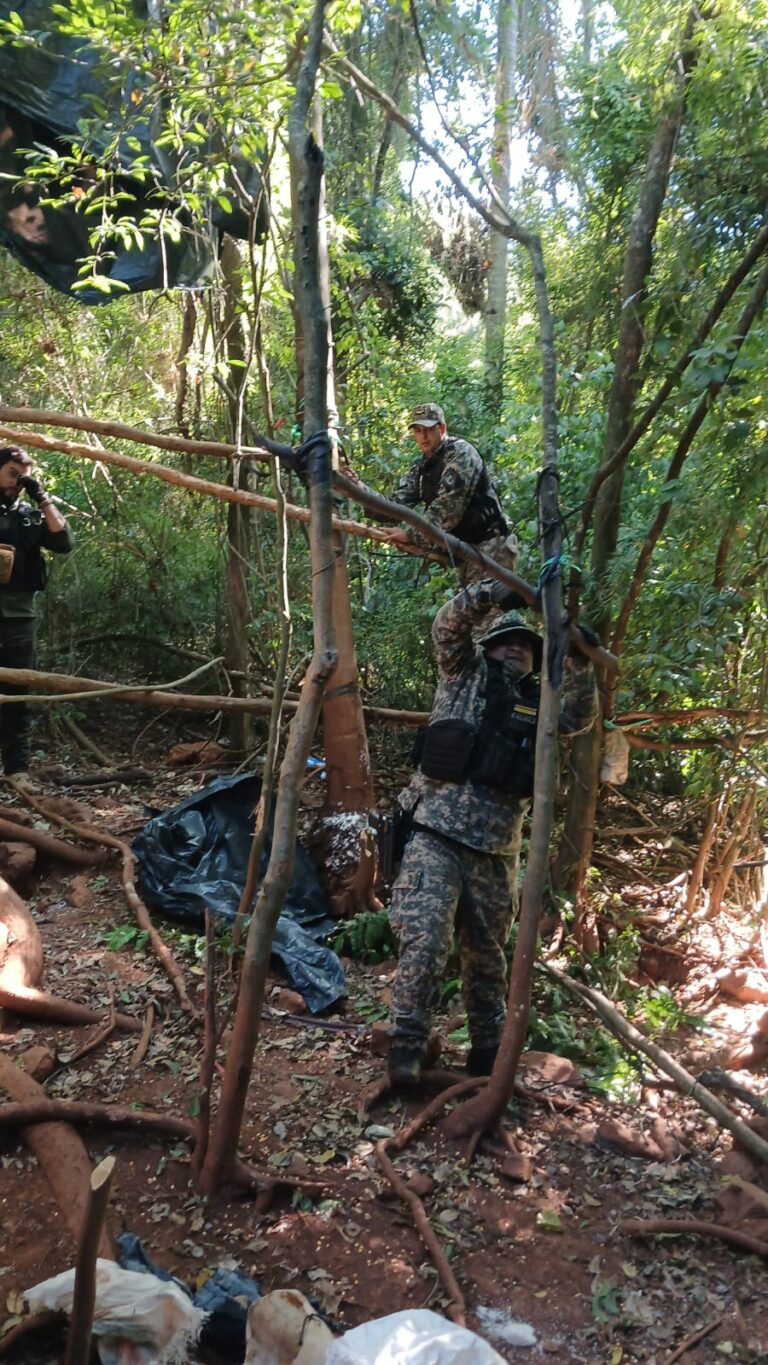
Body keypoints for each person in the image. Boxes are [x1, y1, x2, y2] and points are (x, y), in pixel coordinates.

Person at [387, 578, 598, 1084]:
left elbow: (579, 717)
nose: (516, 649)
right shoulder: (463, 674)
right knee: (426, 942)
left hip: (496, 852)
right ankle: (406, 1051)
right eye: (506, 640)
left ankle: (487, 1059)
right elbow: (448, 624)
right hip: (435, 834)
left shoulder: (540, 702)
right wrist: (495, 594)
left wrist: (579, 661)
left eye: (527, 645)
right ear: (487, 646)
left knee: (487, 960)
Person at [0, 445, 74, 792]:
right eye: (13, 473)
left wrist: (40, 494)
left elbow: (63, 541)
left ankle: (16, 770)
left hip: (18, 617)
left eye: (24, 475)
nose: (19, 482)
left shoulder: (30, 515)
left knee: (18, 692)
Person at [378, 402, 518, 583]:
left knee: (493, 609)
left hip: (492, 549)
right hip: (467, 554)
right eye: (418, 431)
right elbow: (393, 507)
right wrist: (356, 488)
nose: (423, 436)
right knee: (461, 610)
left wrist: (410, 536)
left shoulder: (461, 453)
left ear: (442, 428)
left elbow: (448, 509)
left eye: (428, 429)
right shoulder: (421, 467)